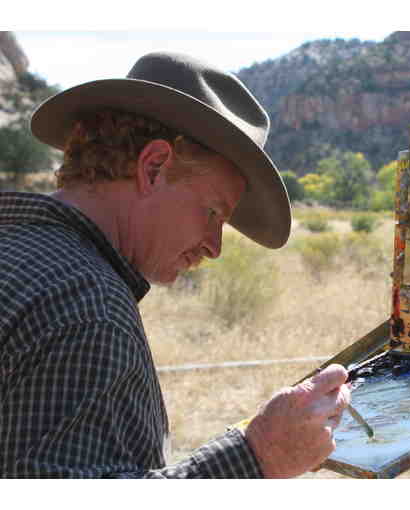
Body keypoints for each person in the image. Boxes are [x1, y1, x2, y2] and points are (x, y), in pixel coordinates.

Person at [0, 51, 351, 478]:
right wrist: (260, 456)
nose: (215, 247)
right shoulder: (88, 309)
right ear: (153, 167)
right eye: (213, 212)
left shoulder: (22, 251)